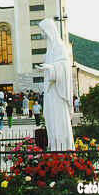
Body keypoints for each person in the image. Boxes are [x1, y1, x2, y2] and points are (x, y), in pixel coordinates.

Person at [36, 18, 75, 151]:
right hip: (50, 91)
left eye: (43, 31)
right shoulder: (49, 49)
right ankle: (54, 146)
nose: (43, 34)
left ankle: (63, 148)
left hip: (58, 93)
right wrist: (46, 68)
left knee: (59, 119)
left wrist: (51, 68)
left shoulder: (59, 46)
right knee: (51, 119)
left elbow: (65, 66)